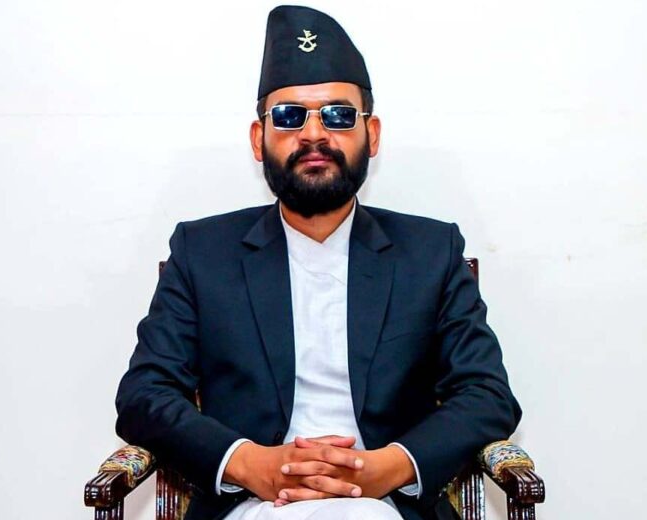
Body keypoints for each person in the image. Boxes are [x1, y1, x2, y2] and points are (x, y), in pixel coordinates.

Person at [115, 6, 521, 520]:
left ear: (372, 134)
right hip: (250, 505)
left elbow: (487, 394)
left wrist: (388, 467)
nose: (313, 134)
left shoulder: (430, 252)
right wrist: (249, 463)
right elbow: (144, 394)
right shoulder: (203, 252)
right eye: (289, 116)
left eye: (338, 115)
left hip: (387, 505)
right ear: (258, 138)